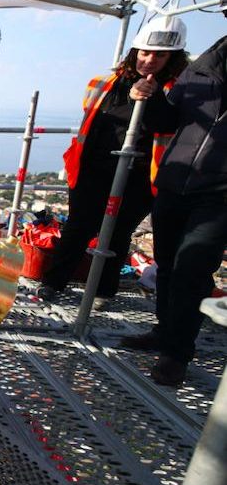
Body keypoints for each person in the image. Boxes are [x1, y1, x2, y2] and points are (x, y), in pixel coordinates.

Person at [38, 17, 189, 307]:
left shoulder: (175, 90)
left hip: (141, 176)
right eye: (144, 52)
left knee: (118, 233)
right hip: (93, 167)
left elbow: (166, 125)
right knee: (79, 227)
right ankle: (52, 283)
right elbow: (91, 122)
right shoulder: (107, 82)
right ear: (134, 51)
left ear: (172, 58)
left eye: (159, 55)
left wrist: (149, 98)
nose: (149, 60)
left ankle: (104, 290)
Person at [122, 12, 227, 387]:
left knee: (191, 271)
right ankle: (164, 333)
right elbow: (168, 121)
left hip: (218, 195)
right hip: (175, 183)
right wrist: (146, 98)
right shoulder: (202, 67)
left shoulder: (203, 67)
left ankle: (176, 355)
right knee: (167, 266)